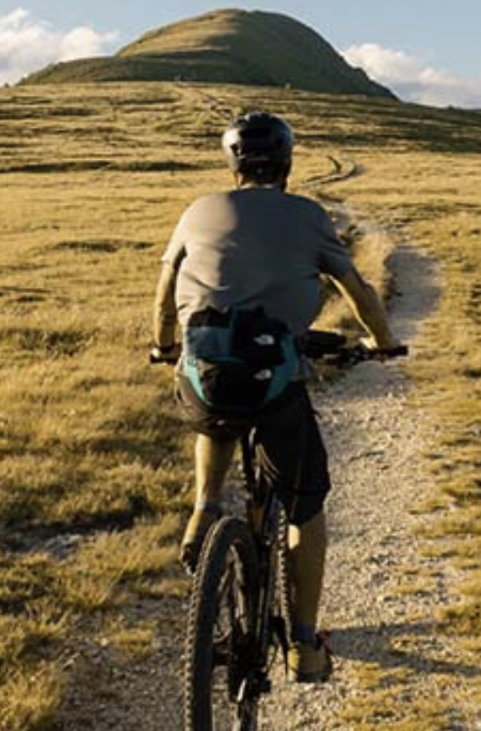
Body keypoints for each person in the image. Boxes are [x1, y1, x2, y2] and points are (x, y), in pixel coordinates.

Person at [150, 112, 403, 683]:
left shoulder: (197, 210)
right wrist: (382, 342)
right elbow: (355, 287)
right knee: (306, 502)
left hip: (205, 368)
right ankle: (305, 645)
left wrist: (165, 346)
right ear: (287, 162)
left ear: (232, 164)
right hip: (276, 376)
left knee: (213, 414)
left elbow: (166, 289)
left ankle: (203, 509)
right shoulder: (307, 215)